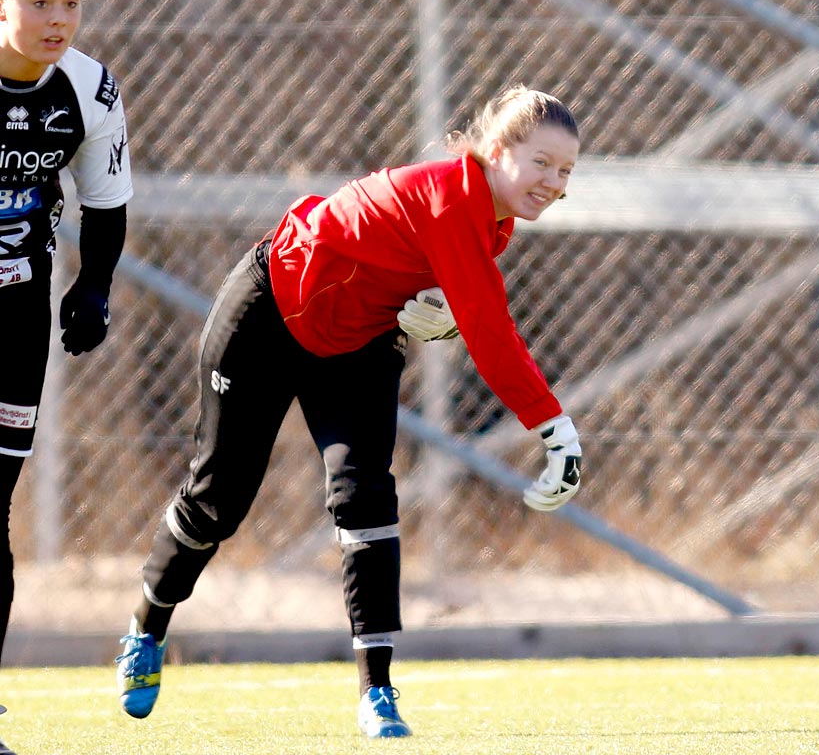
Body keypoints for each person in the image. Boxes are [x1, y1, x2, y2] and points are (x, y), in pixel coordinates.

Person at [116, 85, 583, 739]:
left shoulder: (493, 225)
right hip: (268, 313)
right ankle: (147, 624)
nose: (553, 181)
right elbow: (488, 328)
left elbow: (451, 301)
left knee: (365, 497)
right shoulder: (454, 195)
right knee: (219, 496)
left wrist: (427, 303)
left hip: (358, 341)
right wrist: (553, 427)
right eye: (541, 162)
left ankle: (378, 693)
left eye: (565, 170)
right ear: (495, 151)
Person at [0, 0, 133, 755]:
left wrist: (92, 286)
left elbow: (106, 201)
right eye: (39, 2)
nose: (59, 19)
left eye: (72, 3)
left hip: (14, 315)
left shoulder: (88, 88)